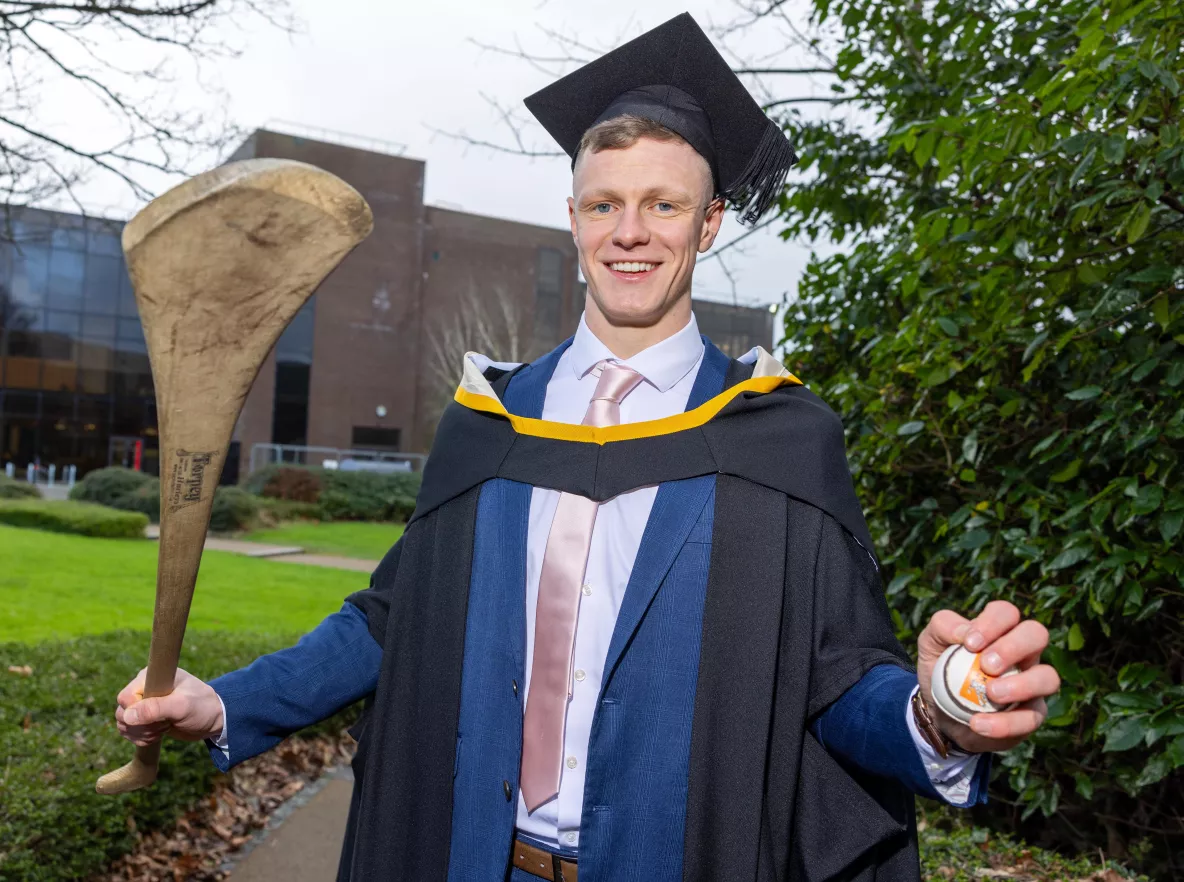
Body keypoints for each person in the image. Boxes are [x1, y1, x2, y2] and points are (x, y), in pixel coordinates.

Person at [115, 13, 1060, 882]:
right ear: (572, 219)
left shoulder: (778, 436)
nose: (631, 233)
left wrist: (938, 711)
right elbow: (390, 623)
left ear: (710, 222)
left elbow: (836, 681)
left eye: (662, 204)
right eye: (603, 205)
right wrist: (229, 703)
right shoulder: (489, 420)